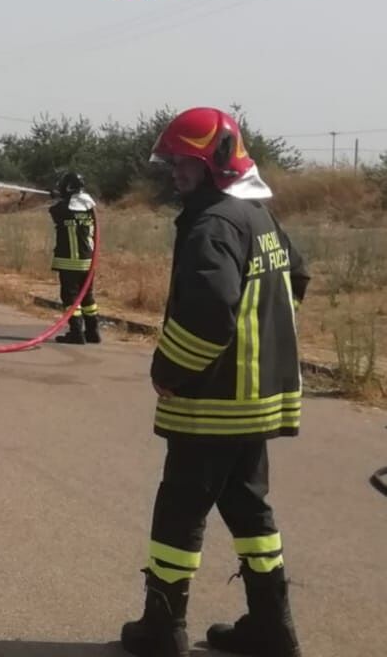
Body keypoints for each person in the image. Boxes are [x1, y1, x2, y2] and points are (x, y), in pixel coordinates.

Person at [120, 107, 308, 657]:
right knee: (251, 511)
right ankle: (273, 626)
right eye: (173, 161)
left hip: (214, 404)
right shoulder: (257, 216)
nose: (175, 171)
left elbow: (208, 313)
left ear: (217, 162)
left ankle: (163, 628)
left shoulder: (213, 223)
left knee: (179, 511)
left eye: (186, 161)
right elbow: (296, 276)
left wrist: (169, 370)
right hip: (256, 402)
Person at [49, 170, 100, 344]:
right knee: (87, 297)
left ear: (67, 187)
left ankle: (76, 333)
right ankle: (93, 332)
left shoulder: (62, 209)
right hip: (88, 261)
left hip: (70, 262)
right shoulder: (89, 208)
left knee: (70, 298)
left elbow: (54, 210)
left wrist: (56, 196)